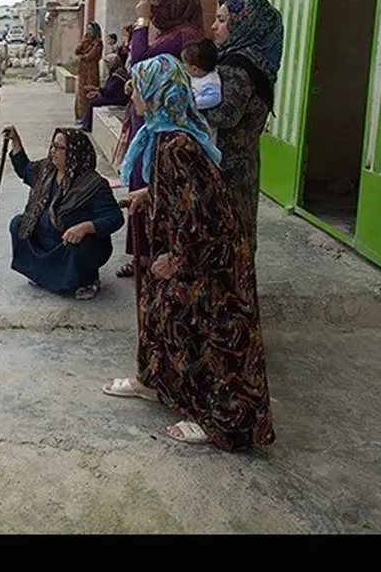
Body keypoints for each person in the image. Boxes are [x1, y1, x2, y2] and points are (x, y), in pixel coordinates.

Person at [102, 54, 275, 452]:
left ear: (158, 92)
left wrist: (178, 259)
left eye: (138, 85)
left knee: (211, 335)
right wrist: (150, 194)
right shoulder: (165, 134)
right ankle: (152, 382)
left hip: (210, 257)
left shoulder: (177, 145)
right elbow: (185, 192)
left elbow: (205, 215)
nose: (131, 92)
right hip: (192, 247)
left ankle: (216, 421)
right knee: (159, 309)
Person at [115, 0, 206, 278]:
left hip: (163, 124)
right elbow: (140, 66)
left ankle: (159, 257)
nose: (152, 11)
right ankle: (143, 255)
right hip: (148, 121)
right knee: (139, 186)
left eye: (157, 5)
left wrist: (142, 21)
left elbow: (140, 60)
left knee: (154, 187)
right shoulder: (172, 33)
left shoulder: (185, 35)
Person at [4, 125, 125, 301]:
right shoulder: (46, 170)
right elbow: (24, 169)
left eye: (60, 148)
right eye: (53, 146)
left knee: (80, 244)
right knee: (18, 224)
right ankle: (43, 274)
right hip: (48, 238)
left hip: (71, 244)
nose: (53, 151)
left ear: (75, 153)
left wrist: (86, 227)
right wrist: (15, 140)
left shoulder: (93, 184)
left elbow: (115, 218)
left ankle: (86, 280)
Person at [204, 0, 284, 254]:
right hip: (244, 162)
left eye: (222, 20)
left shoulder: (237, 67)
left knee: (226, 232)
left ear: (243, 24)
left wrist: (183, 105)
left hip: (226, 166)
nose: (214, 26)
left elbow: (225, 116)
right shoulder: (257, 61)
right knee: (241, 229)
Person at [78, 60, 130, 133]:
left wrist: (98, 90)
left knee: (93, 102)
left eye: (108, 63)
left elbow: (109, 91)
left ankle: (87, 125)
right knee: (94, 99)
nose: (107, 65)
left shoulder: (118, 75)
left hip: (118, 99)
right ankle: (85, 121)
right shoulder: (116, 72)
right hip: (114, 97)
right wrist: (98, 92)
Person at [73, 22, 104, 123]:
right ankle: (80, 115)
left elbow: (90, 56)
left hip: (91, 71)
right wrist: (83, 41)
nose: (88, 31)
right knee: (81, 93)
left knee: (89, 92)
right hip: (83, 71)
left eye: (90, 29)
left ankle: (87, 117)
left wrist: (82, 56)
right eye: (87, 29)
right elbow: (77, 51)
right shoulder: (86, 41)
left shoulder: (98, 43)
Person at [182, 38, 222, 110]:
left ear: (195, 69)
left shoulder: (210, 83)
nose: (183, 65)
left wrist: (191, 102)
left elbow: (215, 98)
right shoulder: (198, 73)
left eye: (185, 63)